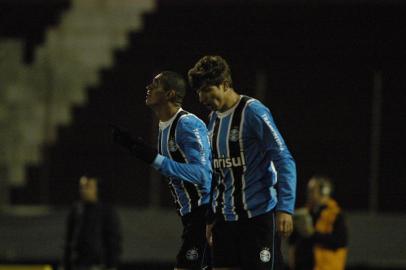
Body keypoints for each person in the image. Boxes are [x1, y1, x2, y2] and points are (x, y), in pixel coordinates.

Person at [188, 55, 297, 270]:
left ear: (225, 84)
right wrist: (210, 218)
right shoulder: (213, 120)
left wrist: (285, 207)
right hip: (225, 221)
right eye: (198, 92)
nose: (201, 98)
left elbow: (283, 157)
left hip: (257, 218)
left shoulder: (253, 112)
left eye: (207, 90)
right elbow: (216, 173)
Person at [112, 71, 212, 270]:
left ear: (170, 94)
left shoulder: (187, 124)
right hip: (191, 217)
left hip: (205, 214)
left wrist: (153, 158)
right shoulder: (164, 126)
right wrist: (135, 146)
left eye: (155, 84)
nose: (148, 87)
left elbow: (203, 174)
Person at [288, 175, 348, 270]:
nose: (308, 194)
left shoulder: (335, 214)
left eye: (312, 191)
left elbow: (339, 241)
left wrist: (313, 234)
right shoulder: (305, 212)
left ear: (324, 191)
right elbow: (293, 241)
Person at [64, 175, 122, 270]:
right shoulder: (76, 210)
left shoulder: (106, 211)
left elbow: (113, 240)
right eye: (82, 187)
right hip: (78, 264)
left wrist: (112, 265)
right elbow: (69, 240)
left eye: (88, 187)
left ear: (97, 189)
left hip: (98, 265)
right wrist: (66, 263)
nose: (83, 190)